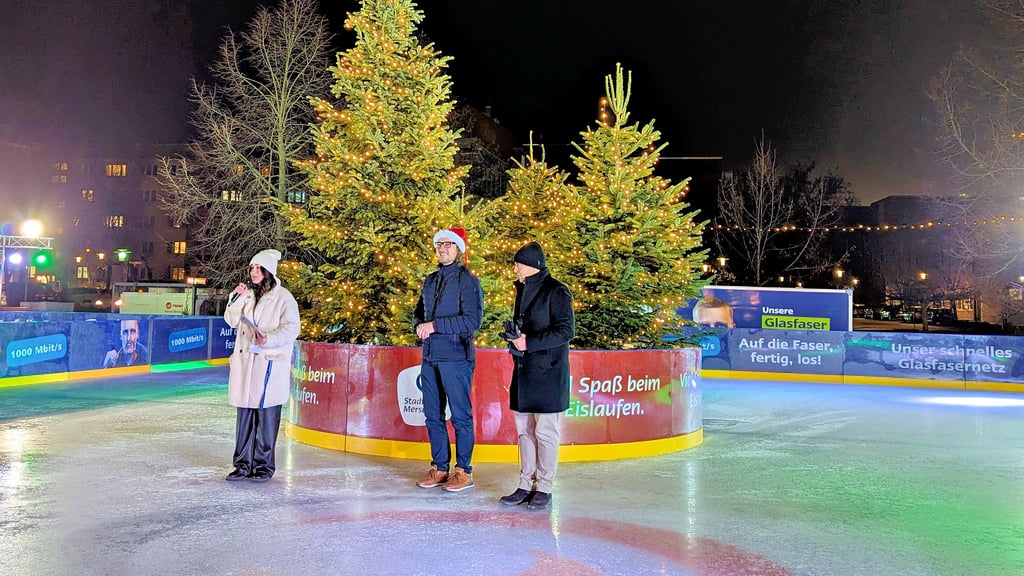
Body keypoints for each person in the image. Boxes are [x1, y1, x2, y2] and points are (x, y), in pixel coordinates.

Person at [499, 241, 574, 510]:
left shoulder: (557, 291)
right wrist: (516, 338)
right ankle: (524, 483)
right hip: (525, 370)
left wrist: (528, 342)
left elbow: (566, 331)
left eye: (518, 263)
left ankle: (544, 486)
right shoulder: (523, 289)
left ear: (530, 265)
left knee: (545, 431)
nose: (515, 268)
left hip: (549, 373)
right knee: (524, 431)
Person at [413, 228, 483, 492]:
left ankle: (463, 470)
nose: (443, 248)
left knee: (461, 416)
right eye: (439, 244)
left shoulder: (467, 281)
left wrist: (435, 325)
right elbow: (419, 313)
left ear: (459, 249)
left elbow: (472, 321)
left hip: (456, 357)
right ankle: (440, 467)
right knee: (432, 414)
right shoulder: (431, 280)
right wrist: (420, 325)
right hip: (430, 356)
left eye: (449, 244)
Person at [223, 249, 300, 483]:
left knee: (266, 419)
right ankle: (242, 464)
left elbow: (292, 328)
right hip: (246, 365)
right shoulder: (246, 295)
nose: (253, 272)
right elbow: (231, 319)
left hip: (268, 364)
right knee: (244, 417)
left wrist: (269, 338)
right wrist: (234, 299)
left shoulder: (284, 298)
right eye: (251, 268)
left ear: (269, 272)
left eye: (258, 268)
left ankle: (263, 466)